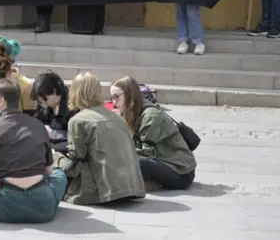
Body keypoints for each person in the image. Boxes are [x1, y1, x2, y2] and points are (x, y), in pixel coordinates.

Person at [0, 78, 67, 223]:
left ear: (1, 101)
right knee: (59, 173)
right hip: (44, 208)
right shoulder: (38, 125)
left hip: (3, 208)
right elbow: (49, 172)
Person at [54, 72, 145, 205]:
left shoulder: (77, 120)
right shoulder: (118, 118)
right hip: (131, 188)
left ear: (75, 92)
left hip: (101, 192)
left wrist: (55, 158)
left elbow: (73, 168)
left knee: (54, 159)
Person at [111, 76, 196, 191]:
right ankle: (147, 183)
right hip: (164, 163)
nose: (113, 103)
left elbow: (146, 153)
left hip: (181, 173)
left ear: (130, 95)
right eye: (112, 98)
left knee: (138, 162)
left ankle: (148, 183)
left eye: (116, 97)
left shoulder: (150, 116)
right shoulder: (135, 112)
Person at [30, 70, 79, 153]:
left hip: (65, 151)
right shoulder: (45, 103)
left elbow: (78, 137)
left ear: (55, 92)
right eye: (40, 101)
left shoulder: (73, 105)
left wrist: (53, 134)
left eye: (45, 100)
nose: (43, 104)